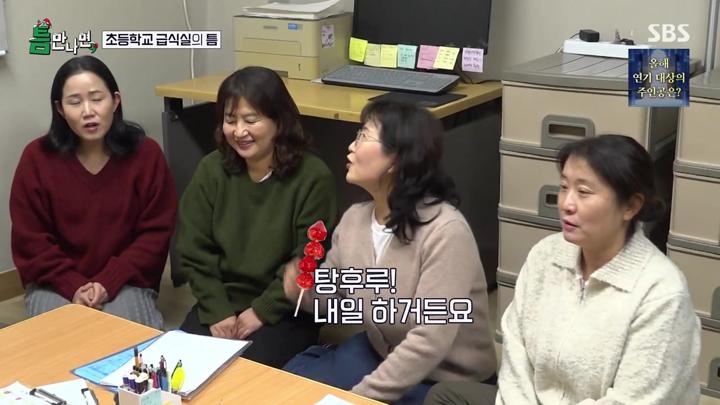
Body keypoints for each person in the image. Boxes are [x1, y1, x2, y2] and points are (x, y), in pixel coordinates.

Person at [425, 135, 701, 405]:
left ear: (630, 206)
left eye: (584, 192)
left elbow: (634, 400)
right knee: (445, 396)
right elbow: (516, 350)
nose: (567, 204)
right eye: (564, 187)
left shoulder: (662, 292)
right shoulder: (546, 254)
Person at [283, 101, 496, 405]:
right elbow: (336, 298)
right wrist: (303, 291)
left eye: (363, 136)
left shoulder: (446, 231)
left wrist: (358, 398)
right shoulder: (354, 220)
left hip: (445, 379)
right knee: (292, 387)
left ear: (396, 159)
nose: (351, 146)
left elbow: (428, 341)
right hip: (380, 352)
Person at [176, 66, 337, 368]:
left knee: (245, 376)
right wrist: (216, 309)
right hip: (222, 300)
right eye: (230, 120)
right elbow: (193, 248)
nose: (239, 131)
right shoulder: (212, 169)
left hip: (286, 309)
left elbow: (309, 258)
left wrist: (263, 310)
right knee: (180, 365)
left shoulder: (313, 178)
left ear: (279, 121)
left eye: (251, 120)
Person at [10, 56, 177, 329]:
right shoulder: (36, 159)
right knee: (57, 341)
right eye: (75, 102)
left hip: (127, 281)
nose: (88, 111)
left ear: (115, 101)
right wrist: (72, 284)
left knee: (127, 342)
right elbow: (31, 240)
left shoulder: (146, 155)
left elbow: (155, 235)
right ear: (60, 109)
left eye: (97, 99)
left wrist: (108, 281)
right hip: (54, 283)